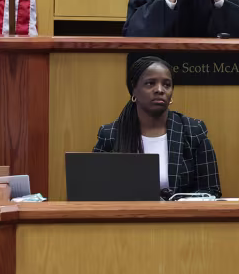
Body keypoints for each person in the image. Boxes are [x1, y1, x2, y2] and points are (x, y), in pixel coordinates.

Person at [93, 56, 221, 198]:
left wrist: (177, 203)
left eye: (167, 85)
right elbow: (94, 190)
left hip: (181, 212)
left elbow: (210, 190)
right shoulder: (110, 134)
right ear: (134, 90)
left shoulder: (193, 131)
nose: (160, 90)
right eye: (150, 83)